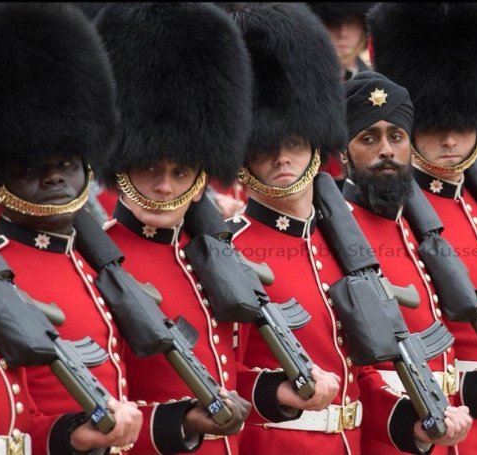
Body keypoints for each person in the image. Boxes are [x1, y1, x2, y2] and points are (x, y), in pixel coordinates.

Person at [225, 4, 471, 454]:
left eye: (295, 143)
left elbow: (363, 365)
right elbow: (225, 370)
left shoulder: (336, 241)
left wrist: (411, 422)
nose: (282, 159)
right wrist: (274, 391)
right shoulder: (230, 246)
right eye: (265, 147)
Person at [94, 4, 335, 454]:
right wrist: (178, 420)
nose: (165, 185)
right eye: (149, 168)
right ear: (122, 165)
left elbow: (230, 372)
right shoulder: (98, 259)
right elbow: (98, 406)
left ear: (201, 172)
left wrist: (275, 391)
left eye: (181, 170)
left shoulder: (204, 253)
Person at [0, 3, 207, 453]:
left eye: (66, 163)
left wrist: (179, 421)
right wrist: (70, 438)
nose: (54, 178)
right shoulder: (0, 267)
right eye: (32, 166)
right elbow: (13, 420)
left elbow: (125, 401)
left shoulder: (92, 265)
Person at [368, 4, 477, 454]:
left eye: (462, 125)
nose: (450, 141)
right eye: (434, 127)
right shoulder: (383, 218)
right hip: (439, 426)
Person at [342, 71, 477, 454]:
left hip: (449, 429)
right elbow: (348, 363)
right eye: (369, 138)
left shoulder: (415, 225)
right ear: (344, 152)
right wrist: (410, 421)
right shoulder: (334, 235)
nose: (386, 149)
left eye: (396, 136)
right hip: (389, 437)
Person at [309, 3, 373, 81]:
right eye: (332, 22)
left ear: (363, 27)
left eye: (350, 22)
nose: (343, 33)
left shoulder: (375, 81)